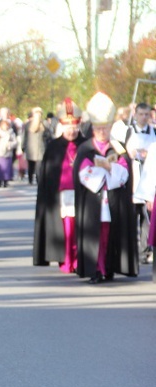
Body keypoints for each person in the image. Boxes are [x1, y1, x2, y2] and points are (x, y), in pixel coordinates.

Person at [73, 92, 139, 284]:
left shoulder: (118, 148)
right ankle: (96, 269)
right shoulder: (86, 148)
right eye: (99, 128)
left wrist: (112, 168)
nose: (102, 132)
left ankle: (109, 267)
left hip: (113, 201)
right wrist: (100, 173)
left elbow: (125, 173)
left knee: (110, 236)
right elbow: (83, 174)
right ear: (93, 128)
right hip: (93, 201)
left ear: (111, 127)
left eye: (106, 128)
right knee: (96, 236)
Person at [33, 98, 86, 273]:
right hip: (61, 197)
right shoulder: (53, 148)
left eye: (74, 127)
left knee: (81, 227)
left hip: (83, 195)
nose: (72, 130)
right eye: (68, 127)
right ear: (62, 127)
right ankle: (66, 259)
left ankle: (80, 259)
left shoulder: (86, 146)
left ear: (79, 126)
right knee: (66, 228)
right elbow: (46, 177)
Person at [124, 102, 156, 263]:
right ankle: (130, 250)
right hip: (134, 176)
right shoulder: (130, 131)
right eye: (141, 114)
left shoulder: (153, 131)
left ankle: (144, 250)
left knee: (147, 218)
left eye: (146, 114)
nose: (143, 117)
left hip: (148, 176)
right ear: (135, 115)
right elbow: (125, 152)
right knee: (131, 216)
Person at [22, 107, 47, 184]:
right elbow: (25, 136)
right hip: (34, 148)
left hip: (37, 148)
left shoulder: (43, 124)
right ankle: (35, 180)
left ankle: (34, 180)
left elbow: (24, 136)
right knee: (34, 166)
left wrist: (23, 147)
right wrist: (23, 146)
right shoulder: (29, 125)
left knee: (35, 166)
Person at [0, 119, 18, 188]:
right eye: (4, 125)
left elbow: (15, 142)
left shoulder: (11, 132)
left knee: (6, 168)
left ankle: (6, 181)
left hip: (7, 153)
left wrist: (10, 145)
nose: (5, 127)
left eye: (6, 125)